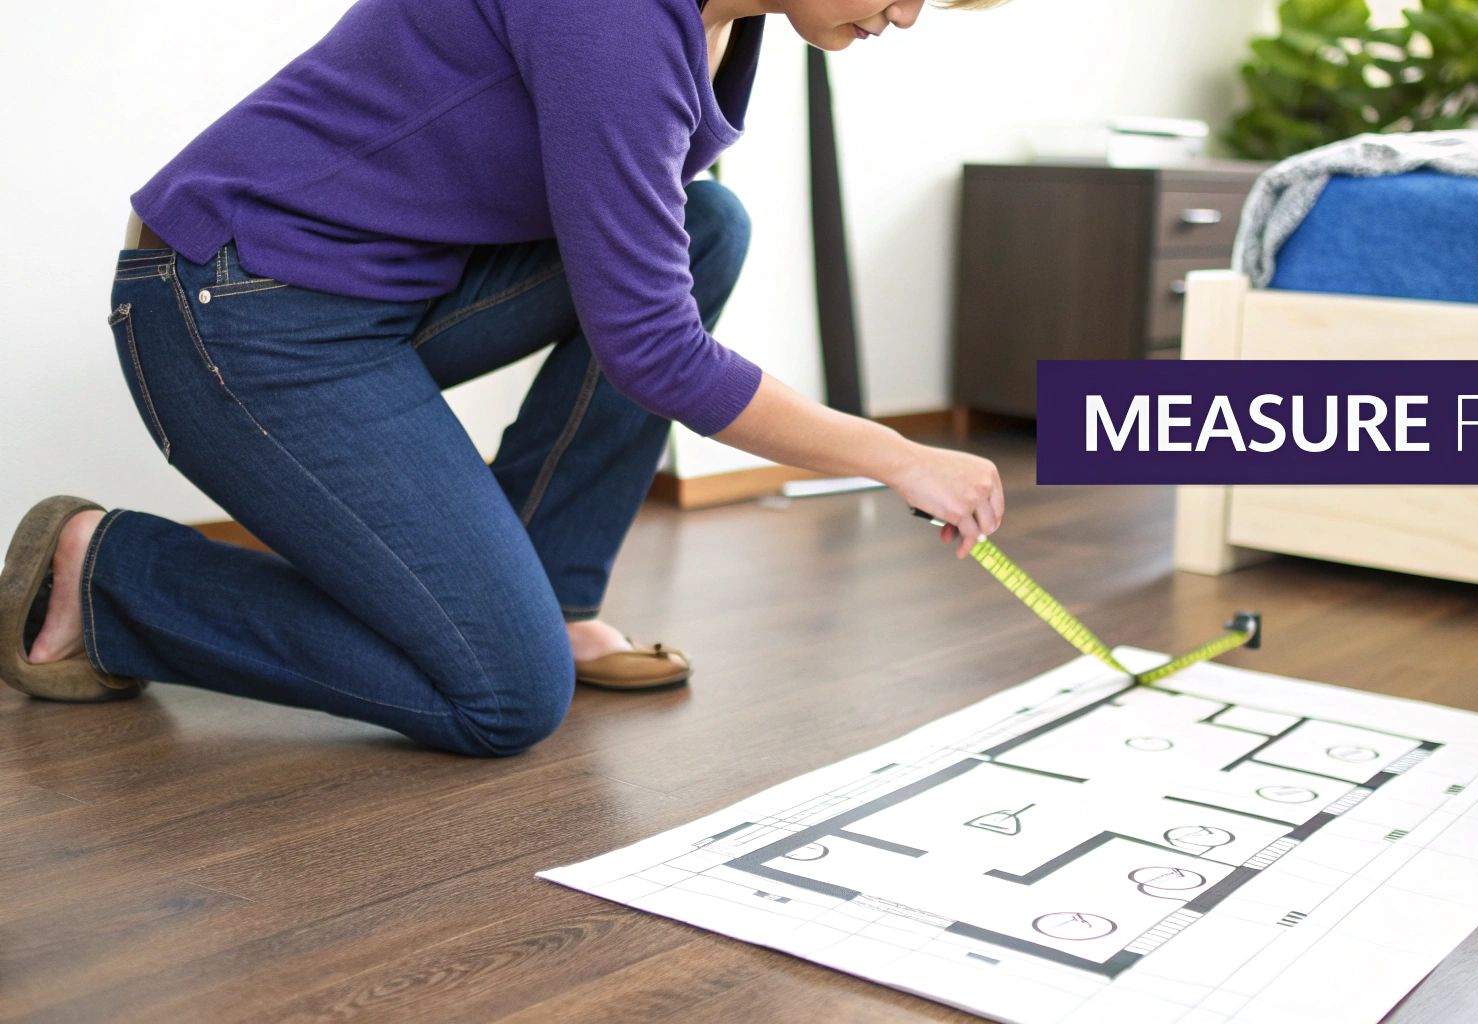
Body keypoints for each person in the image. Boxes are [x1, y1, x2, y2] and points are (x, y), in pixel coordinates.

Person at [0, 0, 1008, 757]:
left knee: (705, 229)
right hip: (236, 308)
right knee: (503, 694)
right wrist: (895, 453)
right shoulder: (613, 17)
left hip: (375, 294)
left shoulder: (719, 18)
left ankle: (551, 593)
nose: (910, 13)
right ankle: (115, 578)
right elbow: (651, 347)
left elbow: (639, 269)